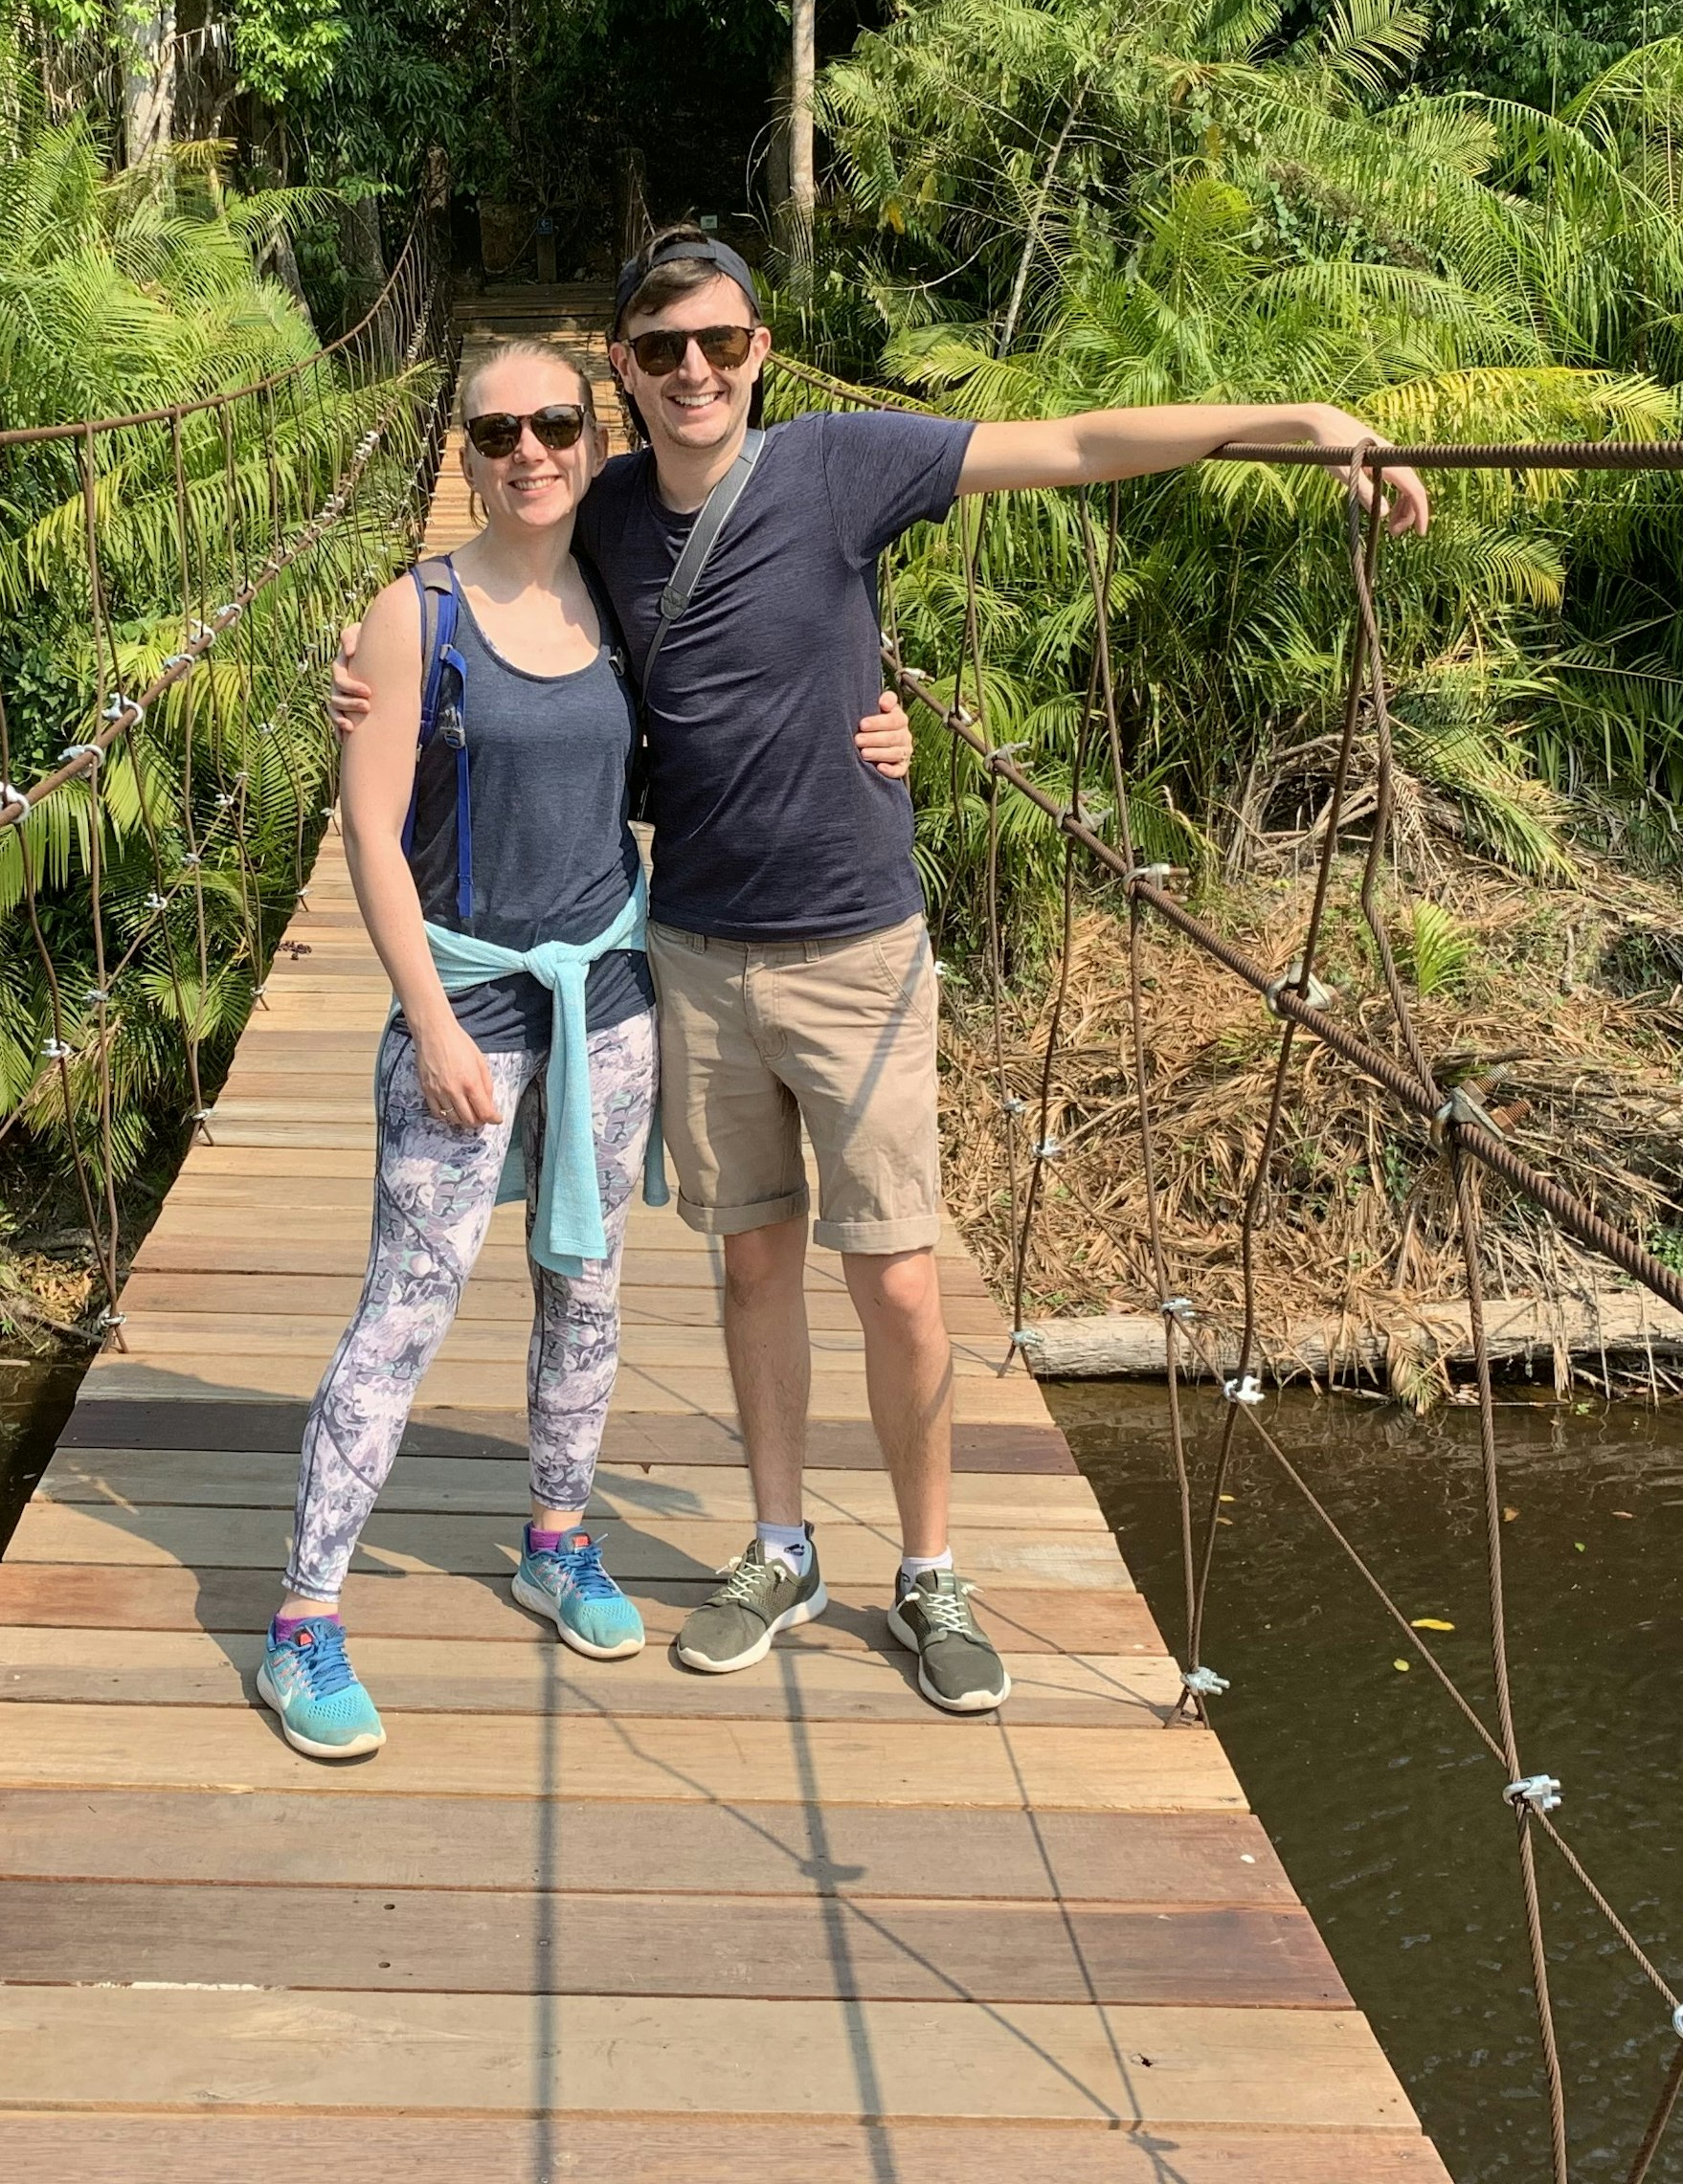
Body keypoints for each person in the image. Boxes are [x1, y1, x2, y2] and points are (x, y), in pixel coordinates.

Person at [339, 232, 1426, 1717]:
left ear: (760, 349)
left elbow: (1079, 444)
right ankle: (781, 1547)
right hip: (695, 949)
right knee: (751, 1264)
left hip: (854, 942)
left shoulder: (841, 465)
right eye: (660, 354)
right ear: (626, 376)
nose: (694, 373)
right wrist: (363, 664)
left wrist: (1300, 427)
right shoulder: (593, 513)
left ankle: (927, 1571)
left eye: (719, 344)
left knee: (901, 1280)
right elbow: (490, 607)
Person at [255, 339, 918, 1760]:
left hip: (611, 990)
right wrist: (428, 1018)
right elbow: (369, 831)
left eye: (556, 424)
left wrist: (882, 726)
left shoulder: (621, 586)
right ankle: (303, 1619)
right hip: (476, 993)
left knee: (589, 1283)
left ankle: (557, 1536)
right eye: (498, 434)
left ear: (588, 432)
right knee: (407, 1309)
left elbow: (751, 679)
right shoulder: (412, 612)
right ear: (464, 454)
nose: (531, 453)